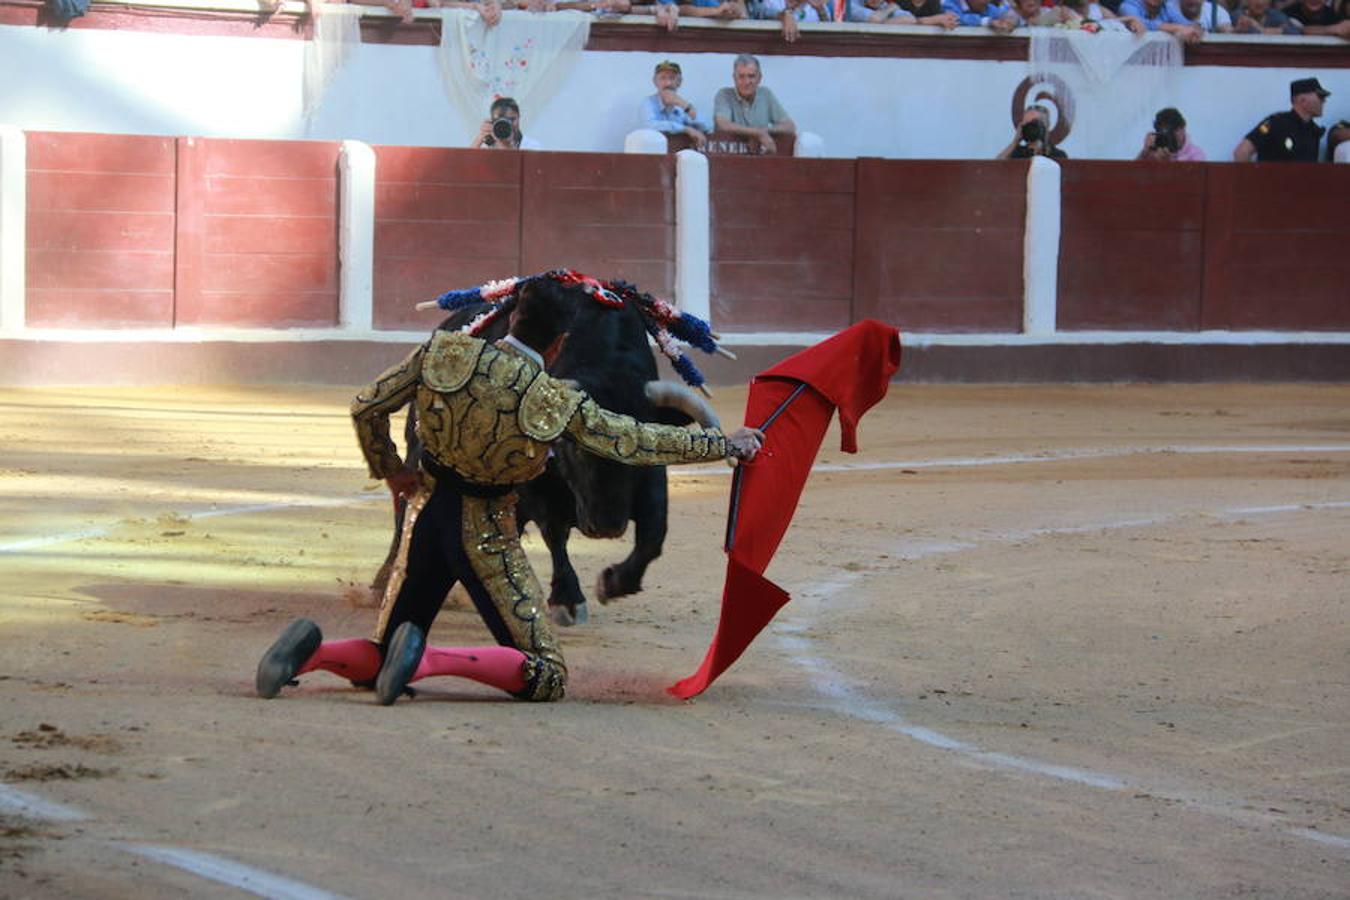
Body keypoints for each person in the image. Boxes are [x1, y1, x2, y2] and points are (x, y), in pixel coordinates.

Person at [256, 273, 765, 706]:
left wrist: (390, 468)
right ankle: (427, 660)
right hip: (483, 534)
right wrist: (724, 445)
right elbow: (631, 440)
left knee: (385, 642)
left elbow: (365, 406)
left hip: (425, 518)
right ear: (559, 342)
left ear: (511, 316)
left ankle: (313, 653)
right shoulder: (549, 397)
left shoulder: (444, 351)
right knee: (545, 673)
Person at [713, 54, 797, 155]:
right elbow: (723, 124)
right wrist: (757, 133)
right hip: (728, 158)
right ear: (734, 78)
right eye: (741, 76)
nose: (746, 82)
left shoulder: (766, 94)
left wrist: (762, 132)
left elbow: (789, 126)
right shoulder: (724, 95)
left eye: (751, 76)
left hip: (760, 158)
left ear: (759, 78)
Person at [1233, 77, 1330, 162]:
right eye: (1320, 96)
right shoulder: (1276, 123)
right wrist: (1253, 181)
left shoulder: (1313, 131)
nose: (1323, 101)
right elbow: (1242, 152)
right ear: (1302, 100)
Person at [641, 60, 713, 149]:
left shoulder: (682, 105)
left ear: (679, 82)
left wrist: (684, 105)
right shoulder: (648, 102)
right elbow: (651, 125)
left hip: (680, 155)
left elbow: (708, 126)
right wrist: (686, 129)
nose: (668, 83)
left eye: (672, 78)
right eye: (663, 78)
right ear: (655, 82)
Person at [996, 105, 1068, 159]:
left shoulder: (1058, 155)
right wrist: (1015, 142)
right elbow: (994, 168)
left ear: (1047, 125)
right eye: (1027, 123)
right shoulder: (1017, 153)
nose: (1031, 127)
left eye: (1035, 122)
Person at [1137, 107, 1207, 161]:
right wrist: (1144, 153)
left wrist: (1168, 163)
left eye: (1173, 130)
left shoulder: (1196, 155)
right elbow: (1133, 174)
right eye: (1165, 132)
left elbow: (1192, 179)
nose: (1170, 135)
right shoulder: (1154, 150)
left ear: (1183, 128)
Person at [472, 97, 541, 151]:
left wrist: (507, 145)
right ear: (492, 121)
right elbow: (465, 164)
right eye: (499, 120)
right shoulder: (486, 145)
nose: (507, 124)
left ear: (519, 117)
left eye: (512, 119)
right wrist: (480, 138)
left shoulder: (532, 147)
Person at [1115, 0, 1203, 40]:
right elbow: (1138, 22)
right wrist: (1174, 28)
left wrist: (1195, 30)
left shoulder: (1166, 7)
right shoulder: (1129, 5)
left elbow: (1187, 25)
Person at [1232, 0, 1304, 34]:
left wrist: (1260, 28)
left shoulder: (1275, 14)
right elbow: (1252, 33)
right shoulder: (1238, 15)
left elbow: (1295, 32)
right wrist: (1278, 30)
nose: (1260, 2)